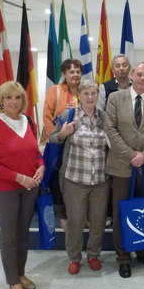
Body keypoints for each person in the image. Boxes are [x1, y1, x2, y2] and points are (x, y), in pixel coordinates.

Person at [0, 81, 44, 289]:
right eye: (8, 97)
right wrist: (20, 178)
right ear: (1, 100)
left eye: (17, 97)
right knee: (9, 236)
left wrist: (41, 165)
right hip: (6, 189)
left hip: (29, 189)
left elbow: (36, 152)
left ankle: (21, 272)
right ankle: (13, 281)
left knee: (23, 233)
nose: (14, 102)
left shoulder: (28, 122)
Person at [105, 63, 144, 278]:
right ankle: (123, 257)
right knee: (121, 213)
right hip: (122, 166)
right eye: (138, 74)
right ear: (131, 75)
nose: (142, 78)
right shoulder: (115, 98)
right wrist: (132, 156)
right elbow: (110, 130)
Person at [50, 80, 109, 275]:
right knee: (75, 222)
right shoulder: (69, 115)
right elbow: (51, 137)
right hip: (74, 180)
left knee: (98, 221)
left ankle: (93, 255)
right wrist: (62, 134)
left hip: (100, 180)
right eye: (86, 94)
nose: (90, 97)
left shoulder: (105, 117)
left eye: (94, 93)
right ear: (80, 96)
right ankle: (74, 258)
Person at [42, 58, 83, 230]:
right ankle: (64, 216)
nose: (75, 75)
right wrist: (58, 136)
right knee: (60, 180)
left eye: (78, 71)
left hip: (82, 145)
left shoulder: (86, 90)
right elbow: (47, 116)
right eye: (71, 72)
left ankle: (82, 215)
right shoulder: (55, 91)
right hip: (60, 144)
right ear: (64, 74)